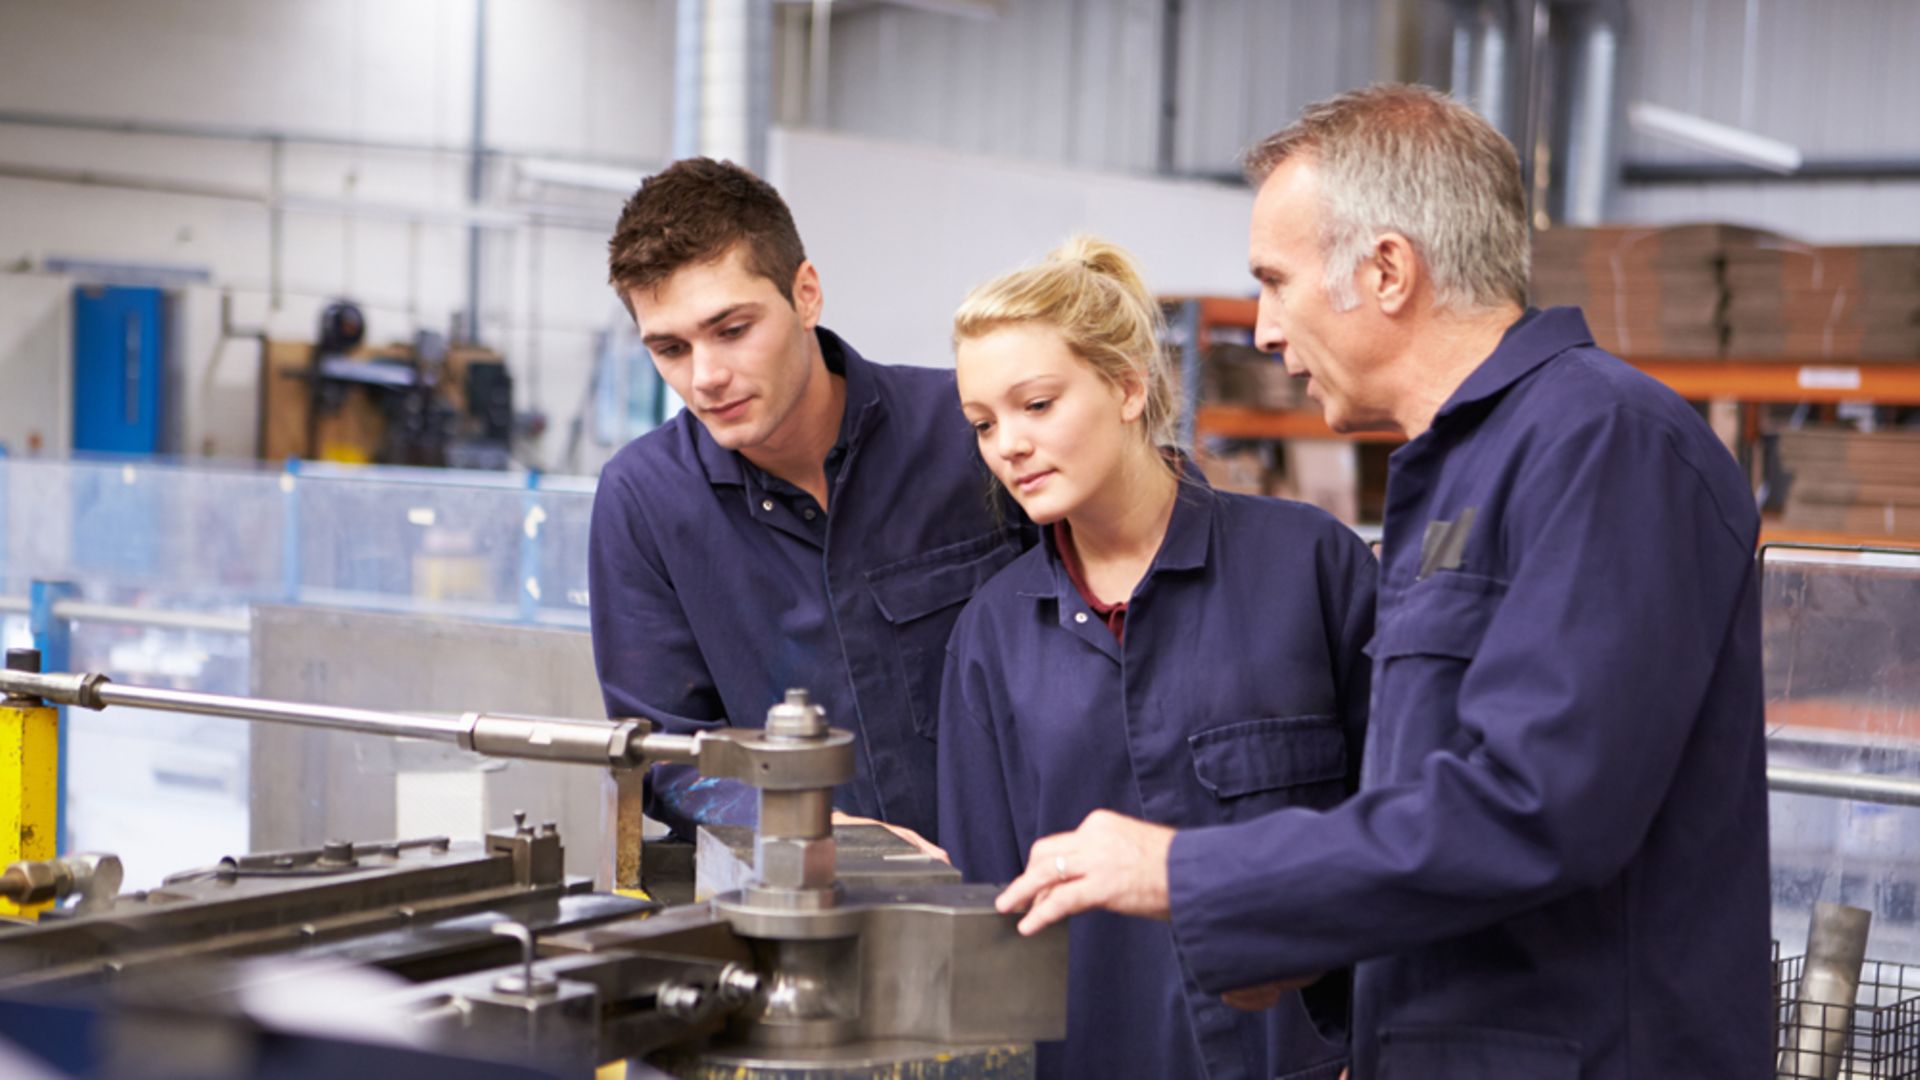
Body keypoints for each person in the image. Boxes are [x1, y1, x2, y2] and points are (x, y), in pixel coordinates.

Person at [992, 85, 1772, 1079]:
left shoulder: (1604, 445)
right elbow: (1432, 814)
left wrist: (1187, 869)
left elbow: (1533, 808)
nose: (1265, 331)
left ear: (1388, 270)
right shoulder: (1463, 471)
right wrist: (1307, 941)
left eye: (1276, 281)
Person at [939, 236, 1377, 1080]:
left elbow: (1403, 827)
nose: (1010, 446)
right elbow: (989, 916)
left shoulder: (1311, 569)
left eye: (1036, 405)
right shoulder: (990, 638)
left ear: (1128, 387)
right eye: (984, 424)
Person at [590, 158, 1027, 850]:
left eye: (732, 329)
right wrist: (813, 831)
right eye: (670, 348)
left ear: (807, 294)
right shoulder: (643, 501)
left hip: (1025, 889)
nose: (706, 378)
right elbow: (663, 754)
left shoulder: (968, 432)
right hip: (804, 909)